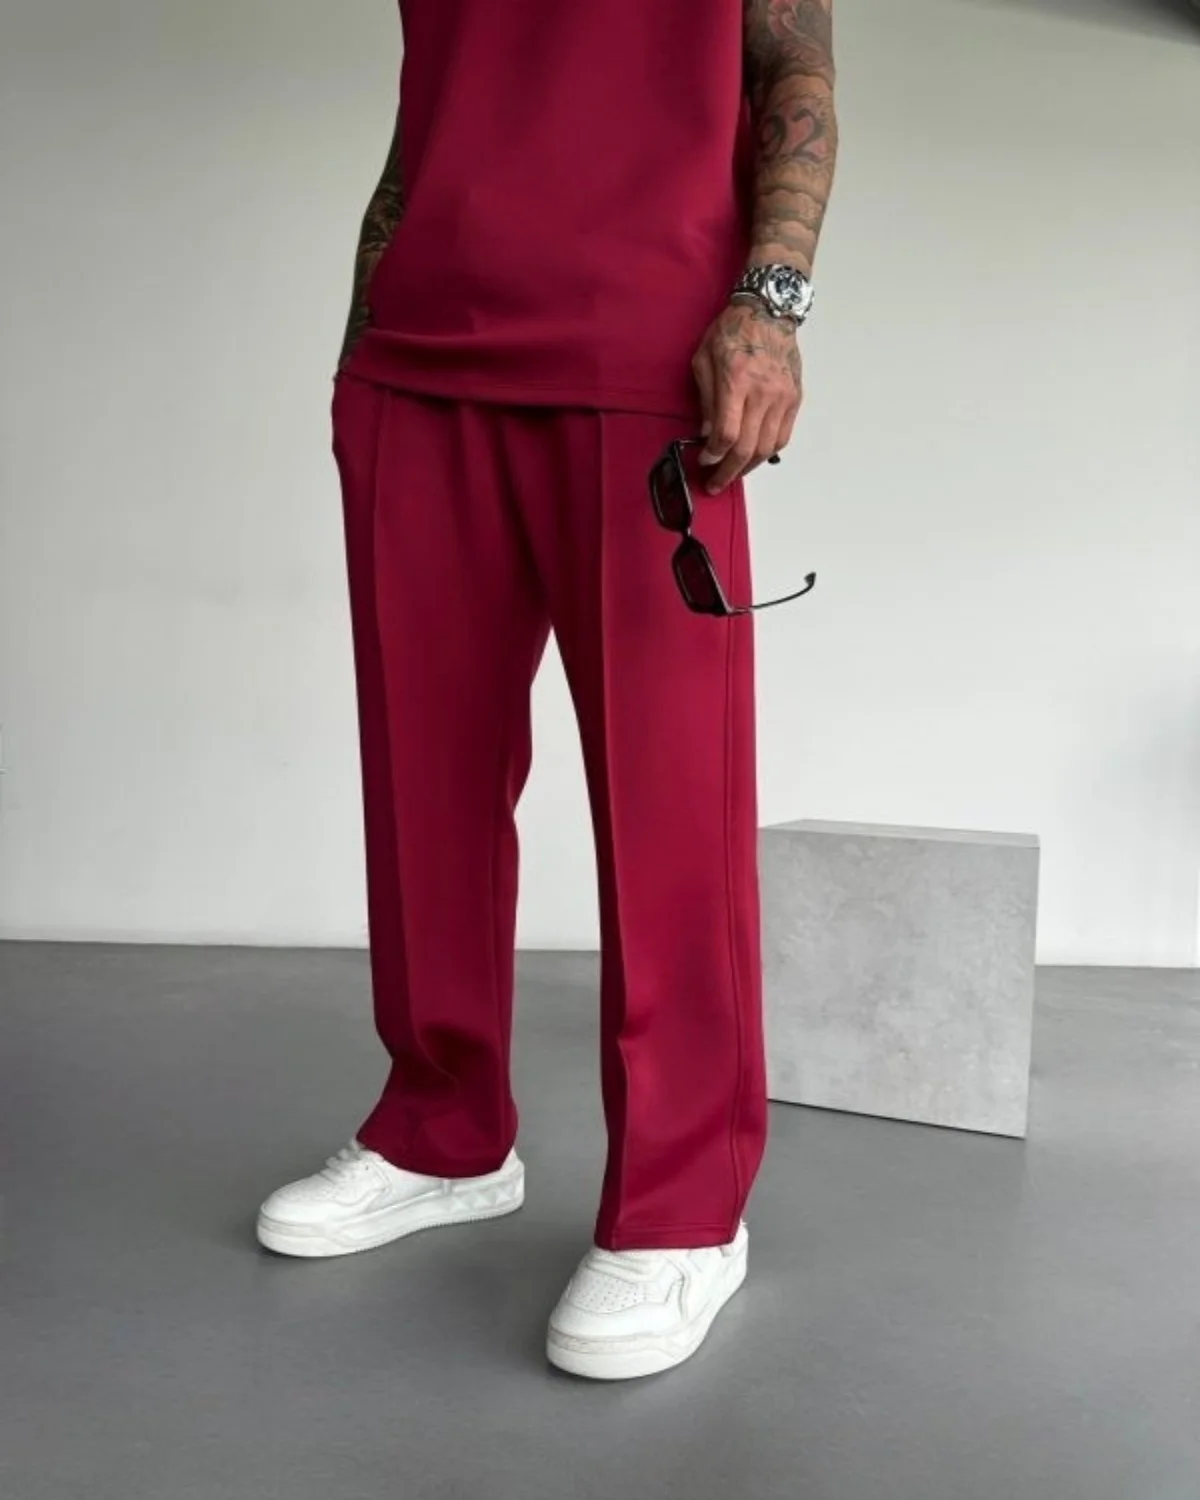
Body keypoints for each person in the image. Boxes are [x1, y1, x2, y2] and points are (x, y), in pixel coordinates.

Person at [257, 0, 838, 1380]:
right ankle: (442, 1131)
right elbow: (438, 103)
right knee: (425, 780)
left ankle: (685, 1206)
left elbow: (794, 64)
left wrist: (768, 308)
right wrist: (362, 340)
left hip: (648, 360)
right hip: (419, 361)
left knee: (670, 805)